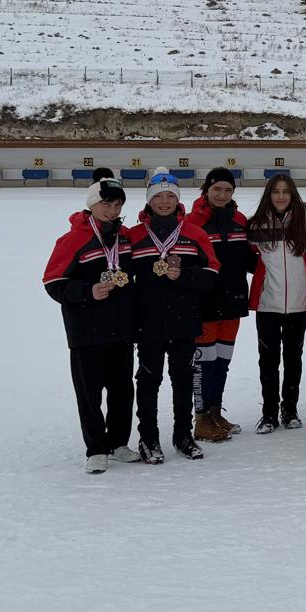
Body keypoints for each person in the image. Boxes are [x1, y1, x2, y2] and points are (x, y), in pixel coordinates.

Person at [44, 178, 139, 473]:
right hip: (86, 331)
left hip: (121, 329)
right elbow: (53, 282)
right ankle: (96, 448)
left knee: (123, 390)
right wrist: (88, 292)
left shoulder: (124, 237)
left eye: (117, 205)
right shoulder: (72, 239)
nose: (112, 210)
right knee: (89, 394)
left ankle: (118, 443)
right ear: (92, 205)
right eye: (106, 204)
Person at [126, 168, 220, 463]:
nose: (164, 202)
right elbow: (122, 276)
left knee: (182, 380)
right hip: (149, 322)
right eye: (158, 196)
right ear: (149, 200)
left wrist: (184, 275)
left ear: (177, 200)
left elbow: (212, 274)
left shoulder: (194, 233)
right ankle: (148, 438)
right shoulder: (134, 236)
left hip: (184, 320)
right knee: (148, 381)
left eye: (170, 196)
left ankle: (183, 435)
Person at [246, 173, 306, 432]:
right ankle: (268, 413)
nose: (281, 196)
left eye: (286, 191)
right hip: (268, 304)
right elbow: (249, 259)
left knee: (293, 358)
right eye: (276, 191)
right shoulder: (256, 226)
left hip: (298, 303)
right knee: (268, 360)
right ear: (269, 194)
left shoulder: (305, 222)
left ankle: (290, 409)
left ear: (293, 194)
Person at [190, 167, 256, 443]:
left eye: (228, 190)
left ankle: (215, 412)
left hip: (233, 302)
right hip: (204, 304)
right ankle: (201, 418)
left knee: (222, 362)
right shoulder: (193, 222)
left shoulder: (239, 220)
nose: (222, 195)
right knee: (203, 364)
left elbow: (249, 260)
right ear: (206, 190)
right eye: (217, 189)